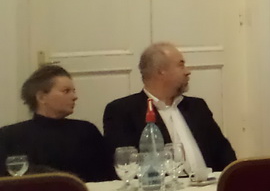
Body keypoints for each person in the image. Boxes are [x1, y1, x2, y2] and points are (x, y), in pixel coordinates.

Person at [103, 42, 236, 173]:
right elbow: (125, 165)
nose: (187, 72)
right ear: (161, 71)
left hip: (210, 185)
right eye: (181, 65)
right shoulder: (123, 112)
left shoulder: (197, 107)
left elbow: (224, 153)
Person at [0, 65, 114, 182]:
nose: (75, 97)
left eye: (73, 91)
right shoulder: (10, 136)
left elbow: (108, 174)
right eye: (66, 91)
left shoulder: (86, 131)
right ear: (41, 97)